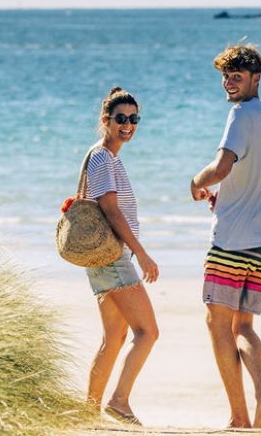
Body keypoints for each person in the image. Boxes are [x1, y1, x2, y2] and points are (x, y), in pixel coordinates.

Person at [189, 44, 261, 428]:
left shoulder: (240, 114)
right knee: (244, 326)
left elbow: (222, 167)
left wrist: (196, 182)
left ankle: (239, 416)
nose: (229, 83)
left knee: (218, 324)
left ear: (256, 79)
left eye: (237, 76)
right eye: (226, 76)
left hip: (231, 242)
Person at [81, 87, 159, 426]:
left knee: (113, 338)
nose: (127, 125)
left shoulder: (108, 158)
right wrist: (141, 255)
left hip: (103, 259)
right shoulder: (101, 158)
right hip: (113, 259)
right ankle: (119, 401)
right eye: (120, 119)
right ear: (105, 121)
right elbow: (111, 213)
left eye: (133, 119)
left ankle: (89, 412)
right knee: (148, 332)